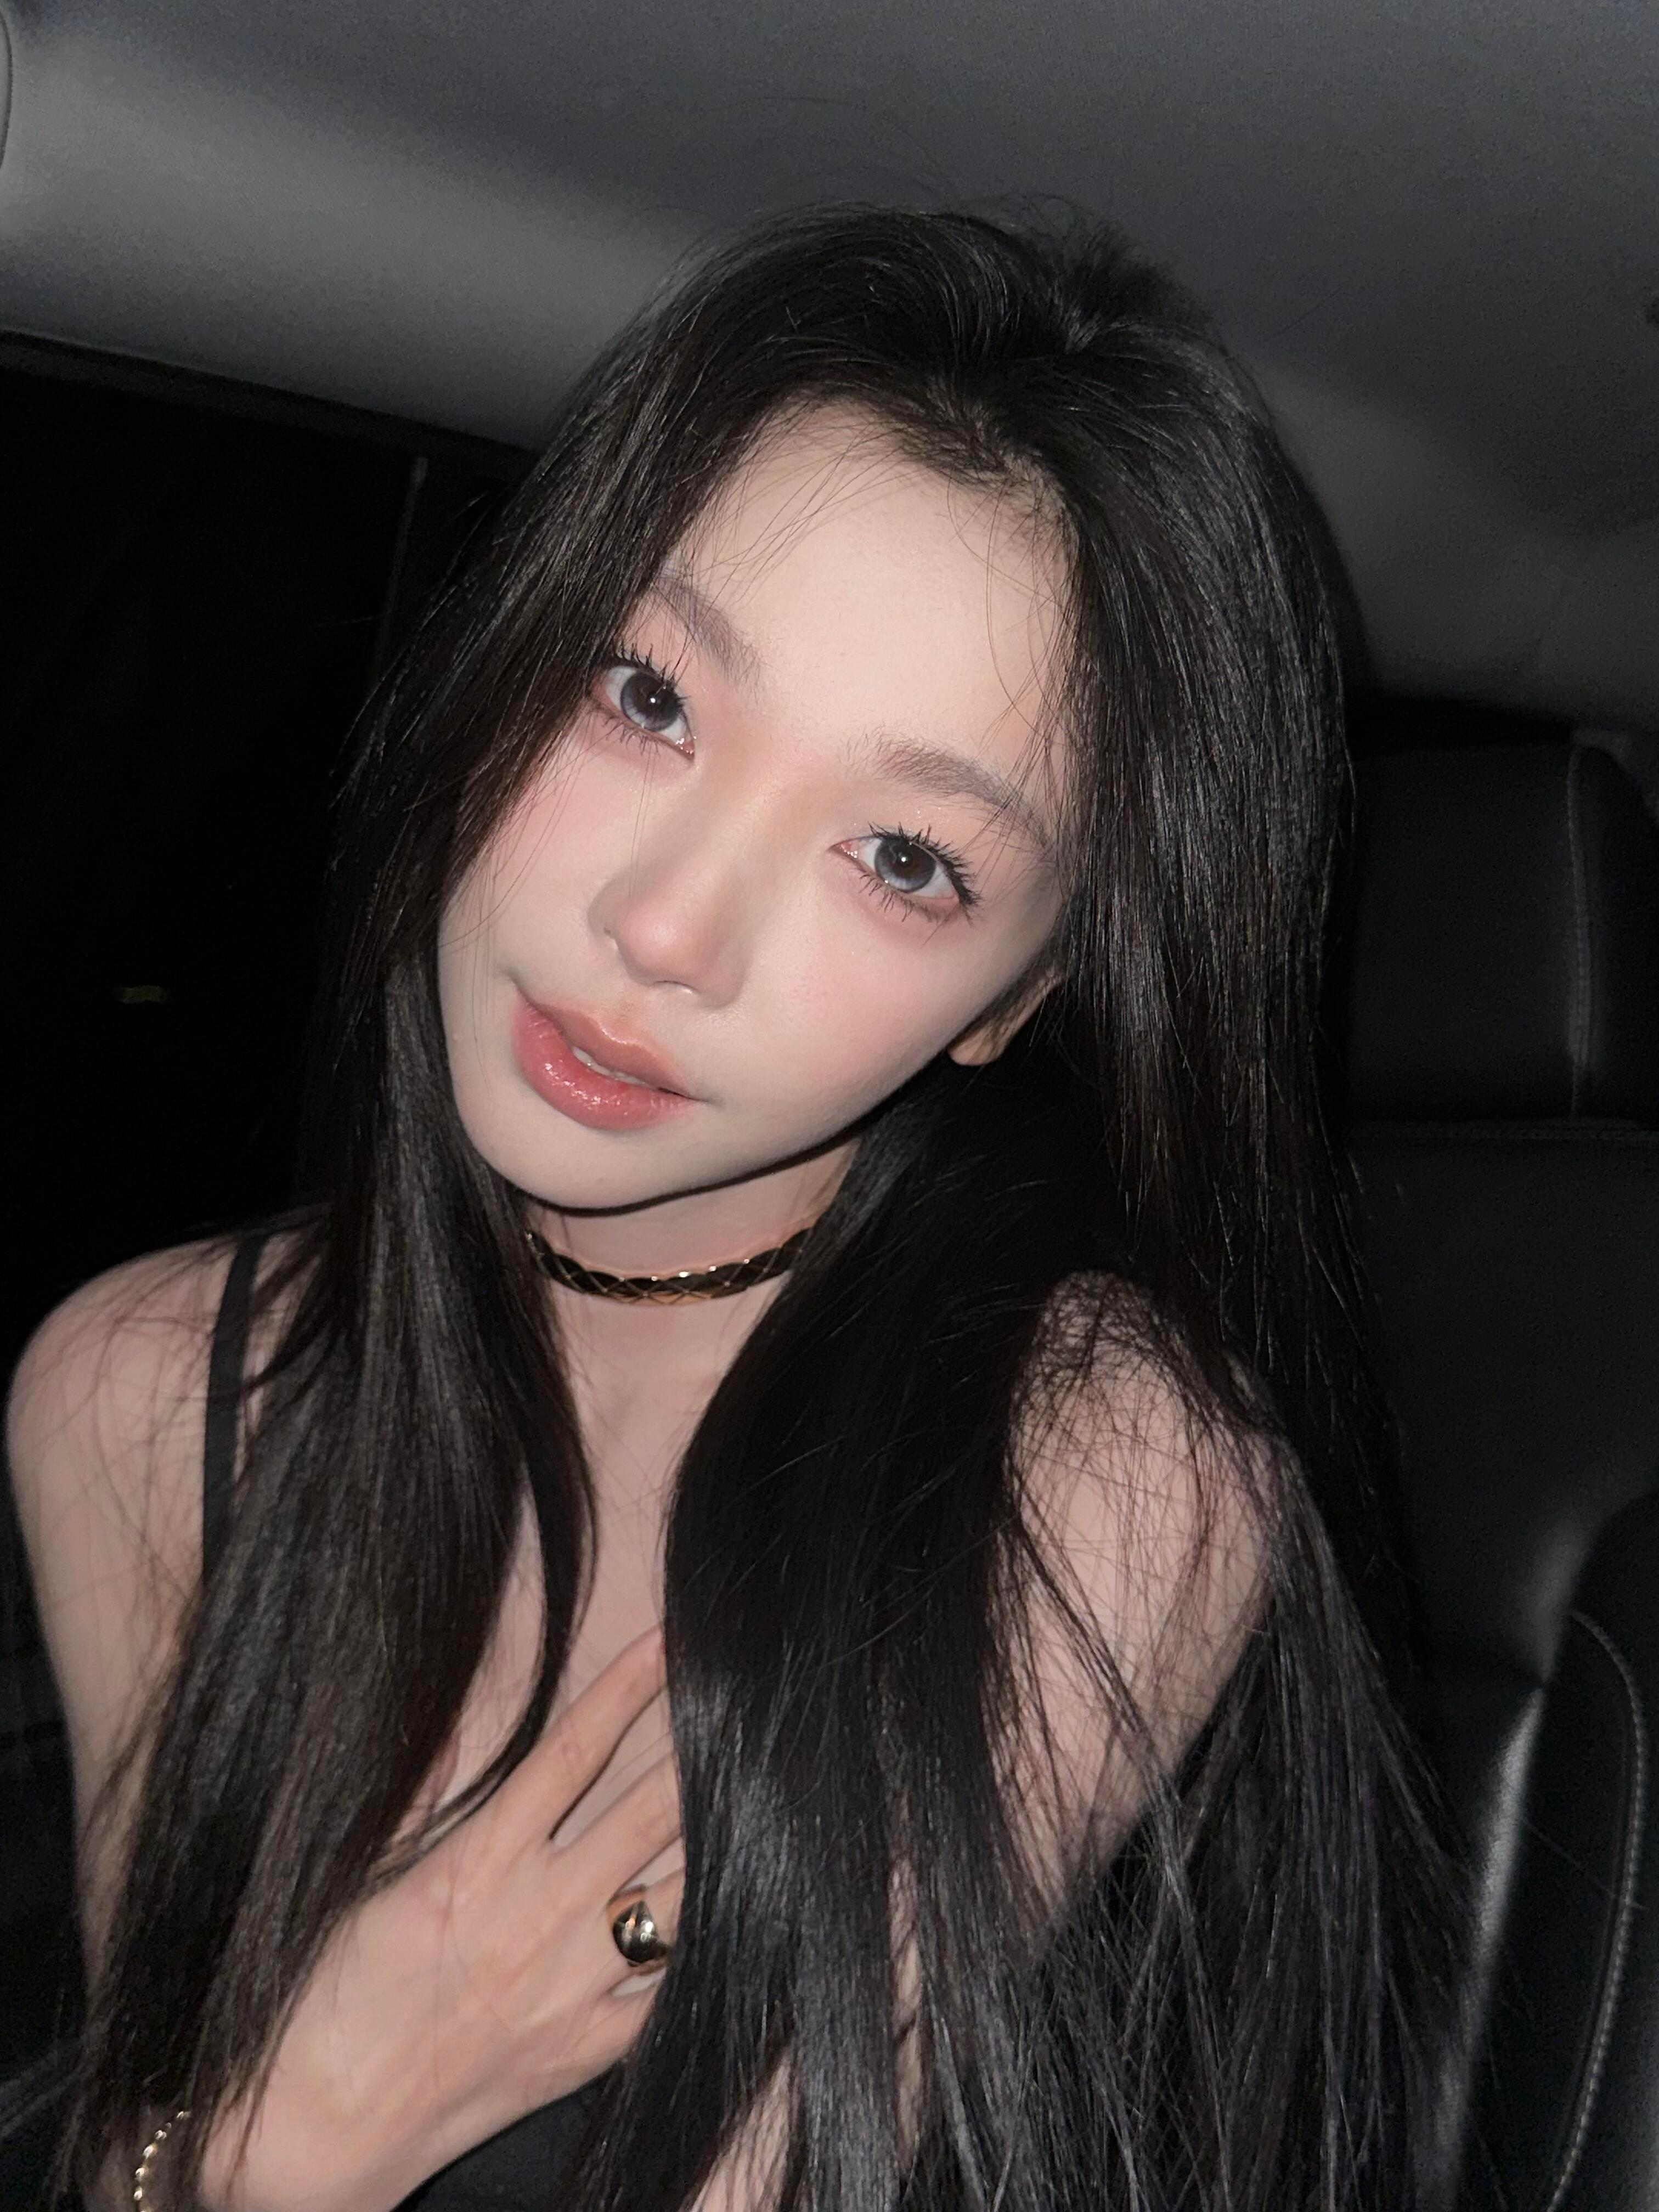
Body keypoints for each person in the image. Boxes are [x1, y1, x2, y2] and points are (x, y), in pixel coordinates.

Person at [8, 206, 1458, 2212]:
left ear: (1014, 1004)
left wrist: (274, 2147)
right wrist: (284, 2133)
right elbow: (132, 2148)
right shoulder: (138, 1392)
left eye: (907, 858)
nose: (666, 928)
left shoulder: (1086, 1458)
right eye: (647, 693)